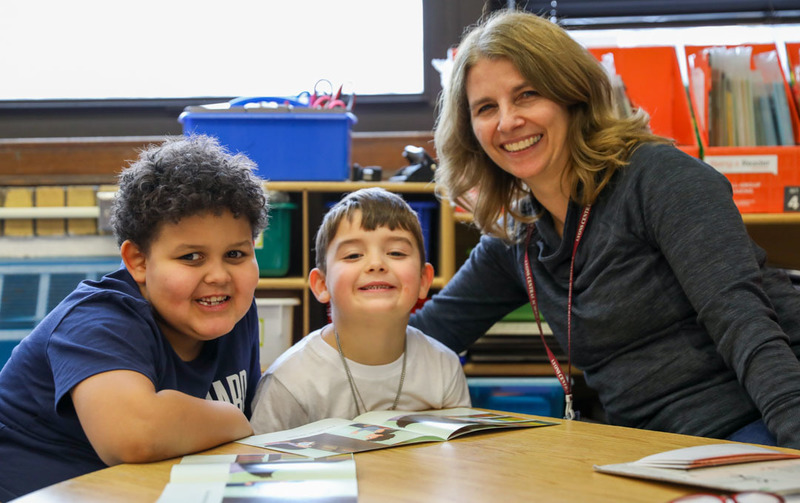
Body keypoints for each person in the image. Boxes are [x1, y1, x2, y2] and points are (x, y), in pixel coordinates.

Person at [409, 9, 800, 449]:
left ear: (572, 95)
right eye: (486, 108)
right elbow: (426, 338)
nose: (507, 121)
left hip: (755, 425)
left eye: (527, 95)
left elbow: (746, 327)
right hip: (644, 453)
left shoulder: (659, 178)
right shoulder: (517, 236)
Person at [0, 134, 269, 499]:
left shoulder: (230, 308)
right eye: (191, 257)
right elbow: (134, 435)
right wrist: (235, 420)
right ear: (138, 262)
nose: (219, 276)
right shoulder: (95, 321)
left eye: (236, 254)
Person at [250, 187, 471, 433]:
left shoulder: (444, 367)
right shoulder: (290, 381)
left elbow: (456, 460)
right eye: (353, 255)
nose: (376, 264)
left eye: (396, 252)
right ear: (322, 285)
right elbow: (260, 464)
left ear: (423, 280)